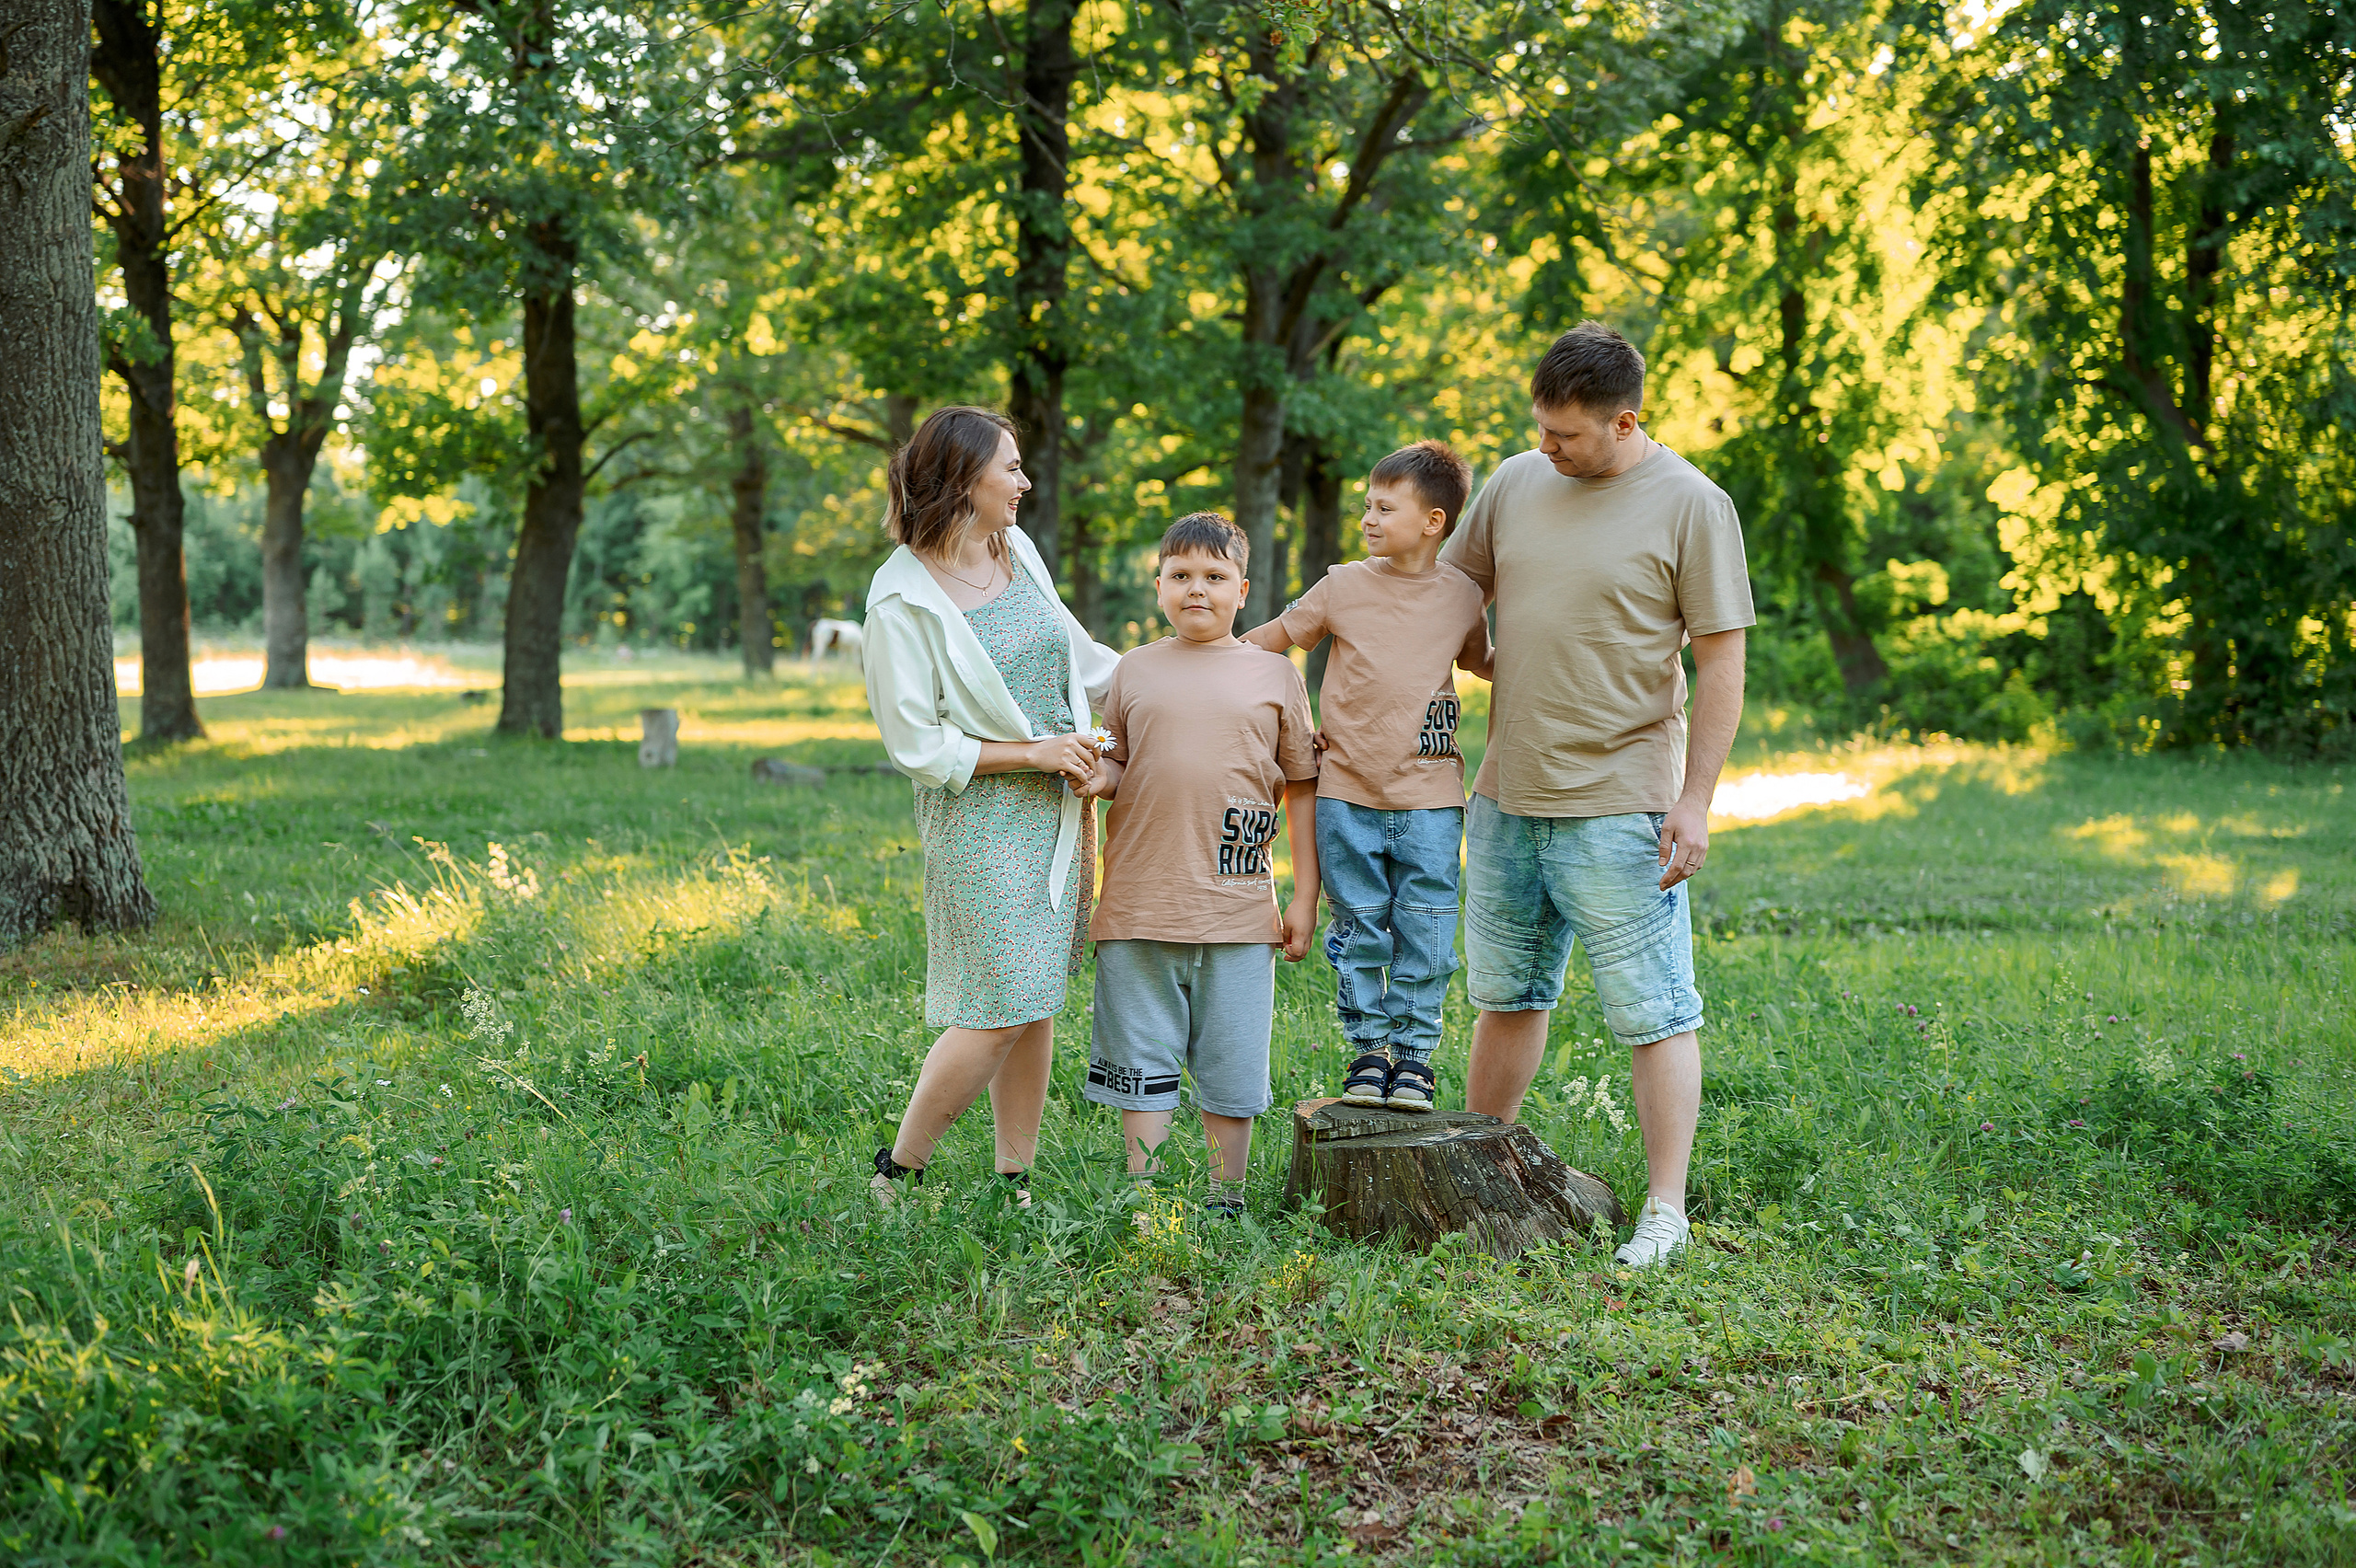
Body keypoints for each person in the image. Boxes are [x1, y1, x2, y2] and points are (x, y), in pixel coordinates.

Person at [1439, 322, 1753, 1268]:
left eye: (1566, 435)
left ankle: (1665, 1211)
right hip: (1505, 793)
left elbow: (1722, 659)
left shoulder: (1692, 504)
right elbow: (1453, 593)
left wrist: (1693, 802)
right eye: (1539, 427)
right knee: (1506, 996)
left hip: (1623, 799)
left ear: (1624, 422)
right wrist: (1487, 661)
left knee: (1655, 1011)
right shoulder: (1513, 481)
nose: (1548, 447)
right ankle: (1477, 1175)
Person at [861, 406, 1121, 1205]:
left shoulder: (1018, 550)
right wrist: (1034, 752)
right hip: (978, 819)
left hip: (1057, 811)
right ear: (962, 479)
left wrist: (1196, 671)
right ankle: (897, 1173)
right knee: (999, 1005)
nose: (1025, 481)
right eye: (1009, 467)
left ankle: (1016, 1176)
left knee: (1035, 996)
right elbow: (915, 743)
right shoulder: (899, 598)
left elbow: (1084, 661)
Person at [1075, 513, 1321, 1218]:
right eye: (1180, 576)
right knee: (1141, 1057)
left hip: (1239, 908)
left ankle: (1227, 1196)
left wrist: (1303, 896)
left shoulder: (1274, 674)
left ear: (1242, 590)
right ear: (1158, 585)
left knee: (1232, 1063)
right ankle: (1142, 1197)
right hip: (1140, 903)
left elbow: (1301, 786)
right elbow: (1123, 758)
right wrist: (1101, 776)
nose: (1196, 590)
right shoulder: (1135, 670)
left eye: (1214, 578)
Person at [1243, 441, 1490, 1113]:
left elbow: (1488, 662)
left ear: (1432, 522)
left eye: (1385, 508)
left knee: (1428, 930)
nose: (1368, 519)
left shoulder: (1464, 596)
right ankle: (1368, 1051)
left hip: (1433, 799)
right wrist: (1209, 667)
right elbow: (1272, 640)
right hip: (1346, 793)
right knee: (1358, 928)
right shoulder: (1343, 584)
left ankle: (1414, 1058)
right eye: (1366, 506)